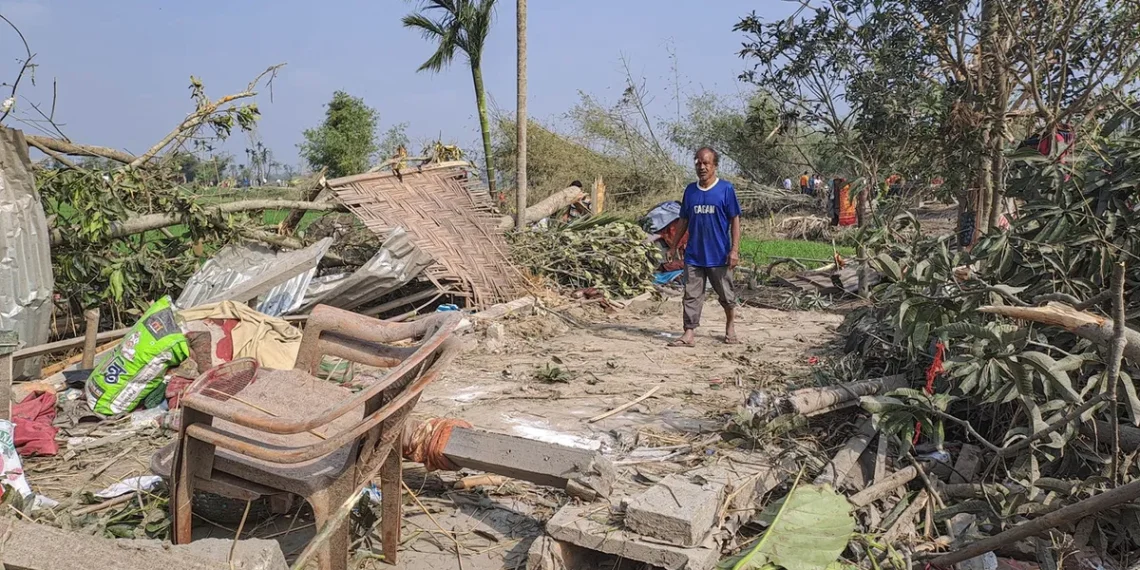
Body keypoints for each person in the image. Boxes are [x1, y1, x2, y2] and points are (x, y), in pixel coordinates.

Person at [667, 147, 741, 347]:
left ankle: (730, 326)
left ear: (714, 166)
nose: (702, 166)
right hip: (694, 255)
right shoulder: (690, 191)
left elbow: (735, 220)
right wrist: (673, 247)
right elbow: (683, 220)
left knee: (726, 294)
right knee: (691, 295)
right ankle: (689, 333)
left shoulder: (725, 189)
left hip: (719, 255)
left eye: (706, 163)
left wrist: (734, 250)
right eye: (698, 162)